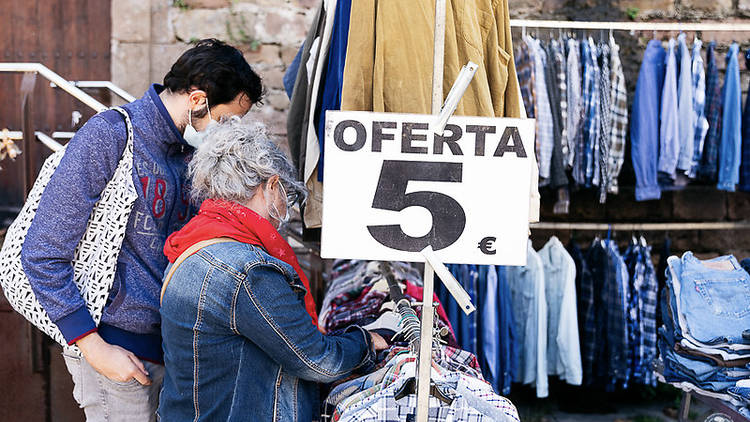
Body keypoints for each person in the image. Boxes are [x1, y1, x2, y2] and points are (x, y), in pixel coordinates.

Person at [20, 39, 263, 421]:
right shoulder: (111, 136)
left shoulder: (186, 155)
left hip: (167, 355)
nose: (227, 132)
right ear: (198, 100)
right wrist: (94, 347)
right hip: (115, 355)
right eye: (227, 120)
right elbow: (42, 251)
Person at [158, 117, 388, 421]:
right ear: (272, 185)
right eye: (286, 196)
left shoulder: (193, 244)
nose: (285, 205)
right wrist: (367, 341)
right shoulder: (248, 271)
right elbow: (317, 360)